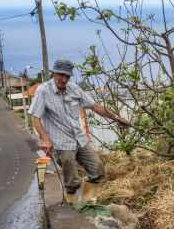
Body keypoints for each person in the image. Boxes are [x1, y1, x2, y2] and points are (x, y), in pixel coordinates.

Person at [28, 59, 130, 203]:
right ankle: (74, 205)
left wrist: (116, 118)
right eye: (60, 75)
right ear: (53, 74)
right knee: (72, 180)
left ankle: (89, 200)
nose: (63, 79)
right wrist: (45, 139)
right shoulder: (43, 91)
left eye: (67, 76)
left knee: (98, 170)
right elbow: (35, 117)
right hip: (61, 143)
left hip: (79, 138)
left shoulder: (74, 89)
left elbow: (95, 106)